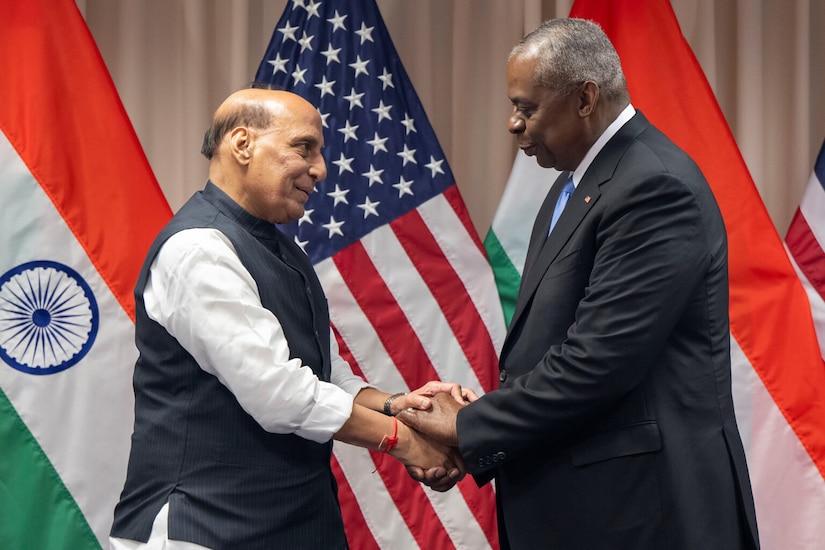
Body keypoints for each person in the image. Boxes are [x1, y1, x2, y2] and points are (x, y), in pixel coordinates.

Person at [399, 18, 760, 549]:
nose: (512, 125)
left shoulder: (653, 186)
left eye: (527, 107)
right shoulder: (576, 183)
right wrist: (481, 431)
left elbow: (597, 362)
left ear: (586, 99)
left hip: (643, 514)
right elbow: (552, 347)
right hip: (589, 506)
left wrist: (467, 427)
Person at [110, 88, 467, 550]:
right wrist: (403, 440)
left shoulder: (279, 249)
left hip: (292, 523)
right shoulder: (199, 249)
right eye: (304, 147)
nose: (320, 169)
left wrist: (398, 406)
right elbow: (278, 393)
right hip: (202, 527)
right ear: (242, 144)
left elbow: (323, 374)